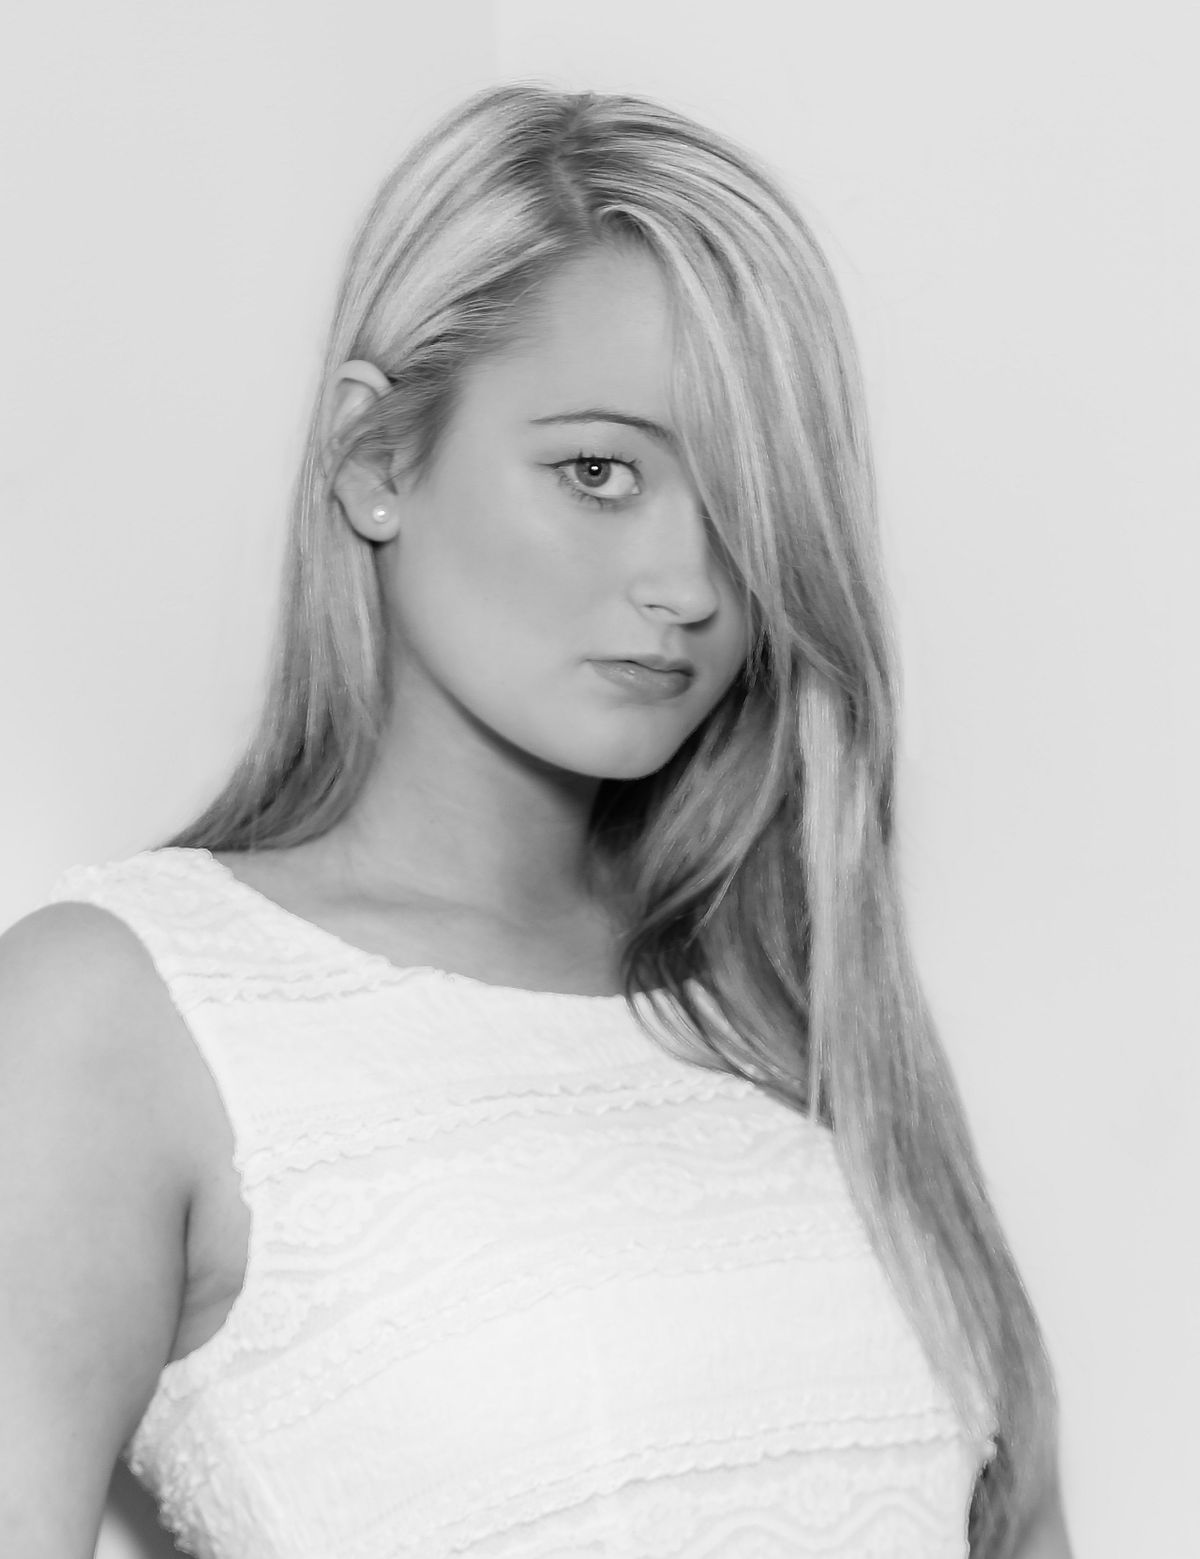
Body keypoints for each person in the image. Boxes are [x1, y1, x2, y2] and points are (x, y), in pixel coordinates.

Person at [0, 83, 1073, 1559]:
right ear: (378, 460)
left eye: (749, 506)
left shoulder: (796, 1009)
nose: (689, 586)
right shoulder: (119, 1016)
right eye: (599, 472)